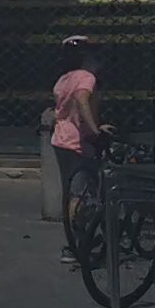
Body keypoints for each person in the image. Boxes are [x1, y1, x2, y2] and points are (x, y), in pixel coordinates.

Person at [48, 39, 105, 224]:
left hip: (60, 139)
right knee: (79, 192)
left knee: (70, 189)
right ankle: (77, 242)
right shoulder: (86, 77)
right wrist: (95, 131)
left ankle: (74, 237)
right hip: (78, 141)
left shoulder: (64, 78)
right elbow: (82, 101)